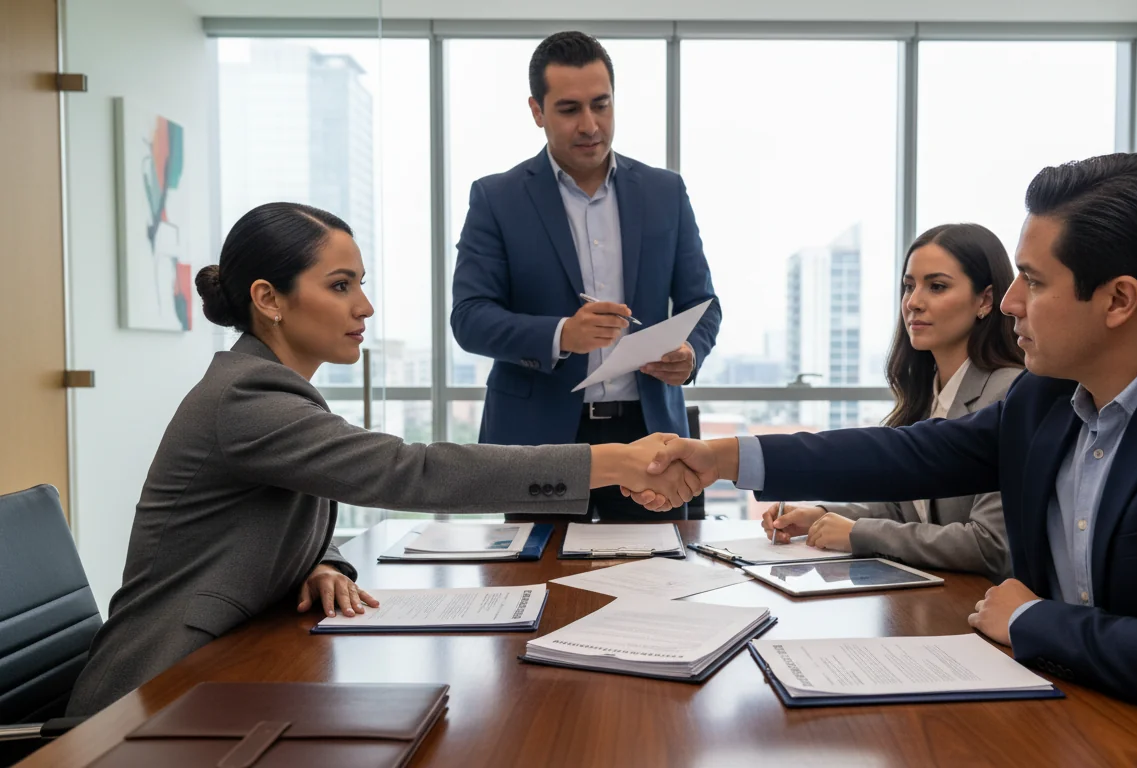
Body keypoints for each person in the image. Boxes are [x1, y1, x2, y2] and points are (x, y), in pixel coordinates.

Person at [637, 154, 1137, 766]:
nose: (1007, 303)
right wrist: (724, 456)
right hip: (1076, 715)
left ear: (1119, 300)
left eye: (1032, 283)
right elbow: (907, 456)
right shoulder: (1046, 399)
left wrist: (1031, 620)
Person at [66, 203, 702, 717]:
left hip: (221, 669)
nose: (364, 307)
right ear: (269, 298)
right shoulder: (246, 399)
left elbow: (263, 520)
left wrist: (320, 561)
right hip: (151, 696)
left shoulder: (269, 390)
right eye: (340, 286)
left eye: (361, 285)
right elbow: (410, 471)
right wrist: (611, 462)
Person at [451, 31, 720, 522]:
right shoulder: (496, 198)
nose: (590, 125)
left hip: (648, 435)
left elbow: (702, 303)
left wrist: (690, 354)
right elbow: (469, 318)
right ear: (537, 111)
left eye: (602, 105)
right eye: (570, 109)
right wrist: (560, 335)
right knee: (536, 588)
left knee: (655, 584)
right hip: (539, 439)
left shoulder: (665, 192)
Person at [762, 223, 1022, 582]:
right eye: (909, 286)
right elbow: (902, 510)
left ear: (985, 300)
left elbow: (991, 544)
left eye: (937, 286)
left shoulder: (1009, 395)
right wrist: (820, 515)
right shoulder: (927, 393)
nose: (913, 302)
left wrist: (858, 534)